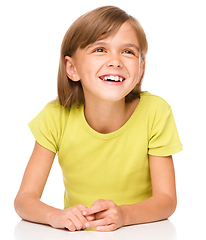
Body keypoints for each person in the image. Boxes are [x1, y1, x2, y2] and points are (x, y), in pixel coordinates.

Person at [14, 6, 182, 232]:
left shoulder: (156, 112)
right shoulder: (55, 117)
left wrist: (124, 214)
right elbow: (24, 199)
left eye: (128, 52)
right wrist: (55, 216)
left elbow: (167, 200)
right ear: (72, 68)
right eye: (100, 49)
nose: (115, 61)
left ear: (140, 69)